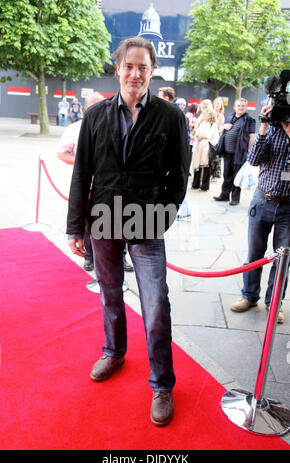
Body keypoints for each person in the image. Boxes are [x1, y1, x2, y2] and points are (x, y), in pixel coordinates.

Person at [66, 37, 190, 426]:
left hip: (147, 221)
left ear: (152, 72)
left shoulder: (171, 117)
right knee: (110, 293)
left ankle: (162, 384)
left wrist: (161, 216)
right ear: (117, 68)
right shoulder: (96, 115)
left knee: (155, 306)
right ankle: (114, 351)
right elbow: (81, 171)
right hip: (102, 217)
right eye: (129, 66)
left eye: (143, 67)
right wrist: (75, 226)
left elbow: (179, 176)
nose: (135, 73)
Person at [231, 104, 290, 324]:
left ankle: (274, 303)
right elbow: (253, 159)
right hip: (262, 200)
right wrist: (264, 126)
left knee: (283, 259)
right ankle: (249, 296)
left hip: (287, 207)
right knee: (254, 254)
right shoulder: (271, 130)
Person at [57, 92, 105, 271]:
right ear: (86, 107)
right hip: (85, 183)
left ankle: (121, 258)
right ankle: (89, 257)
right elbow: (62, 153)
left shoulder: (116, 125)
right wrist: (84, 163)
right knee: (87, 223)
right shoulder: (75, 128)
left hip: (109, 187)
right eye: (93, 104)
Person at [213, 98, 256, 205]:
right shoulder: (229, 116)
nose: (240, 107)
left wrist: (249, 153)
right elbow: (221, 130)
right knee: (226, 174)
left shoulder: (249, 120)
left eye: (243, 106)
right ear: (234, 107)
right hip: (227, 151)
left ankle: (235, 198)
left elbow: (251, 137)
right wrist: (223, 126)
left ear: (246, 107)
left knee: (237, 176)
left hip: (240, 152)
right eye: (239, 105)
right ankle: (224, 195)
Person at [158, 90, 191, 219]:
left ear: (166, 97)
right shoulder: (167, 112)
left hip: (172, 156)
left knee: (177, 181)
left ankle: (183, 210)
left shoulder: (175, 114)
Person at [191, 99, 219, 191]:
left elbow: (211, 135)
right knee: (196, 164)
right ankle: (195, 184)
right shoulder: (201, 120)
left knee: (206, 166)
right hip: (197, 145)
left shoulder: (212, 123)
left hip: (206, 146)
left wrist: (201, 136)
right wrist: (197, 135)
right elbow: (195, 131)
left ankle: (205, 186)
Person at [211, 97, 225, 180]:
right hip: (209, 137)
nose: (217, 105)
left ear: (221, 106)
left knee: (216, 157)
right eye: (215, 103)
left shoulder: (220, 115)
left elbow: (219, 127)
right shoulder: (210, 113)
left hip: (216, 138)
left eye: (218, 103)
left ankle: (215, 174)